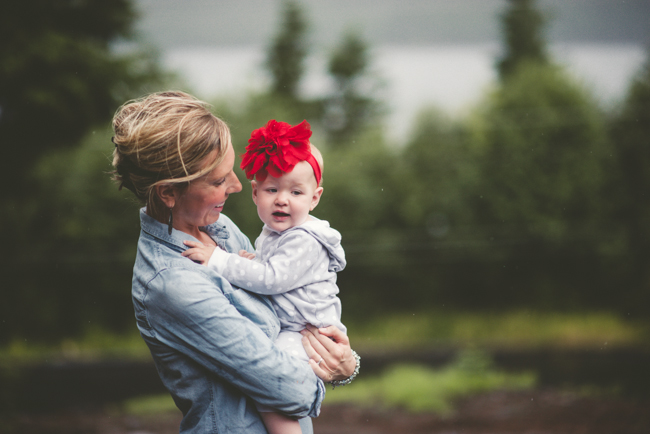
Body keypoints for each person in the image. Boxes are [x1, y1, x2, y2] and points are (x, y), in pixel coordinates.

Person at [111, 91, 359, 434]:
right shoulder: (172, 283)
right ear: (168, 193)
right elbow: (290, 390)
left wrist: (346, 362)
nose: (238, 186)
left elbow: (280, 299)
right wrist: (327, 368)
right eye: (217, 180)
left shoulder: (216, 227)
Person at [182, 119, 349, 434]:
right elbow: (274, 269)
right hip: (296, 326)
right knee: (278, 381)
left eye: (296, 191)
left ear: (315, 198)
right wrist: (256, 260)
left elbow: (272, 279)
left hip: (308, 331)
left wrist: (220, 259)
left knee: (276, 385)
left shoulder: (304, 239)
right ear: (256, 193)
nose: (282, 199)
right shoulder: (276, 232)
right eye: (272, 189)